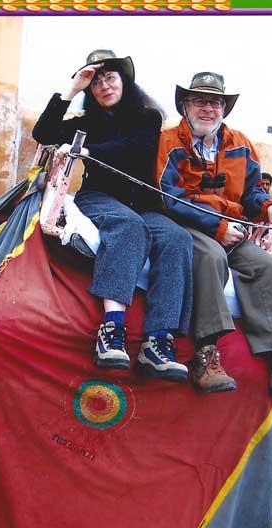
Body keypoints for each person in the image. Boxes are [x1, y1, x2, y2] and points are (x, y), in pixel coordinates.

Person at [156, 71, 272, 396]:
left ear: (224, 108)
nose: (208, 109)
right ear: (185, 105)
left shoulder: (240, 144)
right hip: (188, 226)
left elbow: (253, 191)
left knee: (264, 264)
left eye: (215, 102)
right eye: (200, 101)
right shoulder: (169, 142)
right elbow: (169, 197)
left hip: (232, 228)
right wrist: (216, 227)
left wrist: (270, 206)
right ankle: (206, 356)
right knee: (211, 257)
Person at [32, 49, 194, 382]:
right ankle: (112, 330)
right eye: (96, 82)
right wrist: (72, 89)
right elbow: (44, 133)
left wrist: (87, 150)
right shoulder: (86, 122)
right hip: (100, 198)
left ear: (124, 81)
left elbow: (134, 149)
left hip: (142, 203)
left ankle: (158, 341)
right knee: (128, 227)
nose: (104, 86)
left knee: (177, 238)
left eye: (110, 78)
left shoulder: (148, 118)